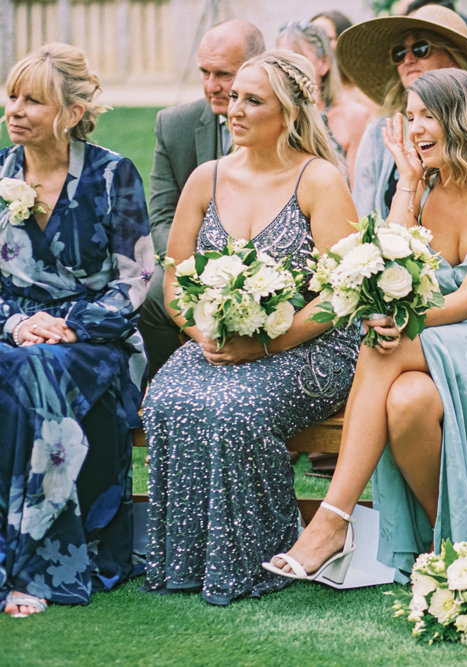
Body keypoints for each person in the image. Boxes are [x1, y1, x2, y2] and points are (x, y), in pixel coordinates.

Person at [263, 68, 467, 581]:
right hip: (435, 339)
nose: (415, 128)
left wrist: (400, 324)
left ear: (464, 119)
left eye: (428, 116)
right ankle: (457, 547)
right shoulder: (422, 188)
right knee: (407, 401)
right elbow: (385, 267)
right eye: (410, 117)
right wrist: (408, 186)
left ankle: (332, 520)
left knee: (380, 346)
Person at [142, 51, 360, 605]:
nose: (234, 109)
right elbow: (173, 280)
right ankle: (186, 560)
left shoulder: (319, 180)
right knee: (167, 399)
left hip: (311, 342)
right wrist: (205, 335)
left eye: (252, 100)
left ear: (287, 115)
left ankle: (257, 557)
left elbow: (341, 293)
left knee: (235, 408)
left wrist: (265, 342)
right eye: (234, 96)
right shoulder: (205, 178)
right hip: (219, 340)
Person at [0, 43, 153, 617]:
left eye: (33, 100)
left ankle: (34, 566)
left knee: (36, 371)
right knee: (22, 364)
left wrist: (66, 326)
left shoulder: (114, 175)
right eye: (12, 96)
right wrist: (17, 323)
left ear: (69, 111)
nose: (15, 110)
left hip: (96, 342)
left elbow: (135, 280)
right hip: (15, 334)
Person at [140, 20, 265, 377]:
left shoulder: (289, 122)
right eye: (204, 73)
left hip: (269, 268)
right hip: (196, 263)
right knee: (152, 298)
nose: (212, 86)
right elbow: (161, 215)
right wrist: (202, 271)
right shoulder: (174, 124)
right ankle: (168, 380)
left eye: (223, 74)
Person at [336, 4, 467, 222]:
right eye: (399, 53)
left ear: (454, 59)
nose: (408, 60)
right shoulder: (379, 130)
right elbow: (364, 213)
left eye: (421, 49)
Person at [276, 21, 370, 179]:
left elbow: (360, 191)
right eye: (280, 63)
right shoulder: (274, 118)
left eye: (299, 60)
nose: (288, 71)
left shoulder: (355, 117)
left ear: (324, 63)